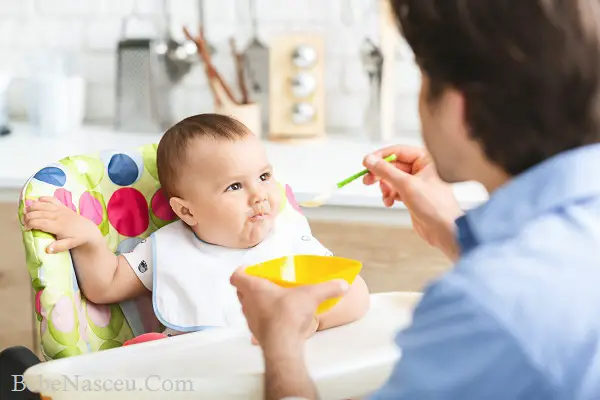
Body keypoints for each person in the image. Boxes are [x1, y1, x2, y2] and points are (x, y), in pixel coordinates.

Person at [230, 0, 600, 399]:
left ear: (464, 111)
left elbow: (513, 306)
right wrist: (450, 231)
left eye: (422, 80)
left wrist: (281, 343)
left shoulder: (482, 303)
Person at [22, 114, 370, 342]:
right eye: (235, 187)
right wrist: (88, 239)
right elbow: (106, 285)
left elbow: (351, 290)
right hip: (200, 378)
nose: (259, 195)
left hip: (286, 372)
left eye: (264, 177)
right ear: (186, 211)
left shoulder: (287, 234)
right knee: (145, 351)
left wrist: (312, 321)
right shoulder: (168, 248)